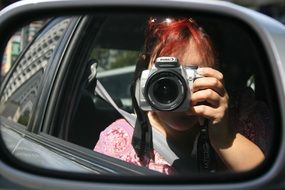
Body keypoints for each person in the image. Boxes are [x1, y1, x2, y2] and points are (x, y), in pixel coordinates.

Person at [94, 17, 272, 175]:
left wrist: (224, 138)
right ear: (145, 79)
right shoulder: (120, 140)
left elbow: (268, 180)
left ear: (217, 78)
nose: (179, 90)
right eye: (166, 79)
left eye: (191, 77)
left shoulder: (242, 120)